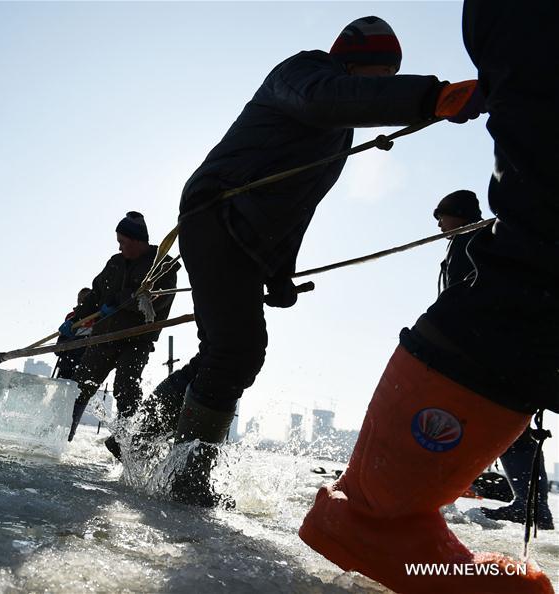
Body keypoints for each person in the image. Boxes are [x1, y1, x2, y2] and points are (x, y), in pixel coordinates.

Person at [136, 15, 481, 508]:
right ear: (358, 62)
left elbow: (298, 206)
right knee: (237, 350)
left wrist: (280, 272)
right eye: (381, 80)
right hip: (217, 213)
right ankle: (186, 476)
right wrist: (430, 97)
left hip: (243, 236)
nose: (380, 92)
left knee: (223, 348)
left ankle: (145, 434)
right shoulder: (305, 73)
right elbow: (329, 98)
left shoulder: (336, 135)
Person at [300, 2, 557, 592]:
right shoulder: (306, 75)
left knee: (540, 266)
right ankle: (379, 515)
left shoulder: (467, 240)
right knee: (543, 256)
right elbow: (323, 96)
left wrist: (425, 98)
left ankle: (379, 513)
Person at [434, 190, 554, 531]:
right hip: (495, 348)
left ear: (457, 213)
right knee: (506, 429)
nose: (438, 221)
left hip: (481, 351)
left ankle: (530, 507)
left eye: (441, 213)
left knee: (468, 423)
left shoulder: (471, 241)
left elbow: (463, 295)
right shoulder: (471, 241)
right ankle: (533, 507)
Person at [64, 212, 178, 450]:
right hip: (103, 336)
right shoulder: (115, 263)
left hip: (136, 339)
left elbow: (157, 302)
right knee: (80, 387)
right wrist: (77, 318)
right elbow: (96, 294)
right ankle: (63, 435)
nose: (120, 247)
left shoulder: (162, 265)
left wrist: (122, 300)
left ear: (138, 241)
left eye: (124, 242)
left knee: (126, 388)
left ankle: (126, 444)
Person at [54, 288, 94, 380]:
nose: (82, 302)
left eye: (85, 300)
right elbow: (60, 346)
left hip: (86, 362)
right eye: (80, 300)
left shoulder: (98, 317)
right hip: (68, 362)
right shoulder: (71, 317)